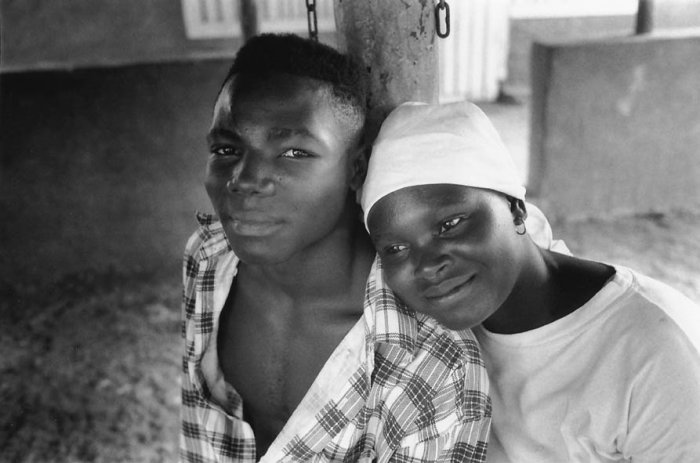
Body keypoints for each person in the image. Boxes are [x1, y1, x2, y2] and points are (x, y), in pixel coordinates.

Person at [180, 34, 493, 462]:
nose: (246, 178)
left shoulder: (431, 363)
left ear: (355, 168)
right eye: (227, 149)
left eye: (293, 151)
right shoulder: (207, 258)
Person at [361, 100, 700, 462]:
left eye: (450, 224)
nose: (427, 266)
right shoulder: (427, 345)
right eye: (396, 247)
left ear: (514, 206)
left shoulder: (655, 349)